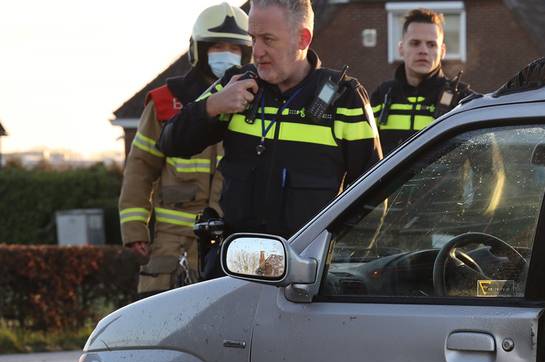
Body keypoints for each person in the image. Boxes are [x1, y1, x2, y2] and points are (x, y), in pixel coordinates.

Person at [158, 0, 382, 278]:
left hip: (306, 277)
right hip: (235, 271)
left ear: (303, 38)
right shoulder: (236, 84)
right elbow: (169, 142)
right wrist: (213, 105)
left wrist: (342, 270)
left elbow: (374, 196)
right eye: (253, 38)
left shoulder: (344, 99)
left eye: (268, 39)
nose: (257, 51)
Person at [119, 3, 251, 295]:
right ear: (198, 50)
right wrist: (135, 229)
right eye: (217, 46)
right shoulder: (166, 102)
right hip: (172, 244)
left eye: (234, 47)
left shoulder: (256, 101)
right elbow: (140, 167)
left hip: (233, 243)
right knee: (160, 315)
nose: (226, 53)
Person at [370, 9, 470, 154]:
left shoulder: (462, 100)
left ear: (442, 51)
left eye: (431, 44)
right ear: (401, 48)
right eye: (415, 43)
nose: (423, 50)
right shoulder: (382, 95)